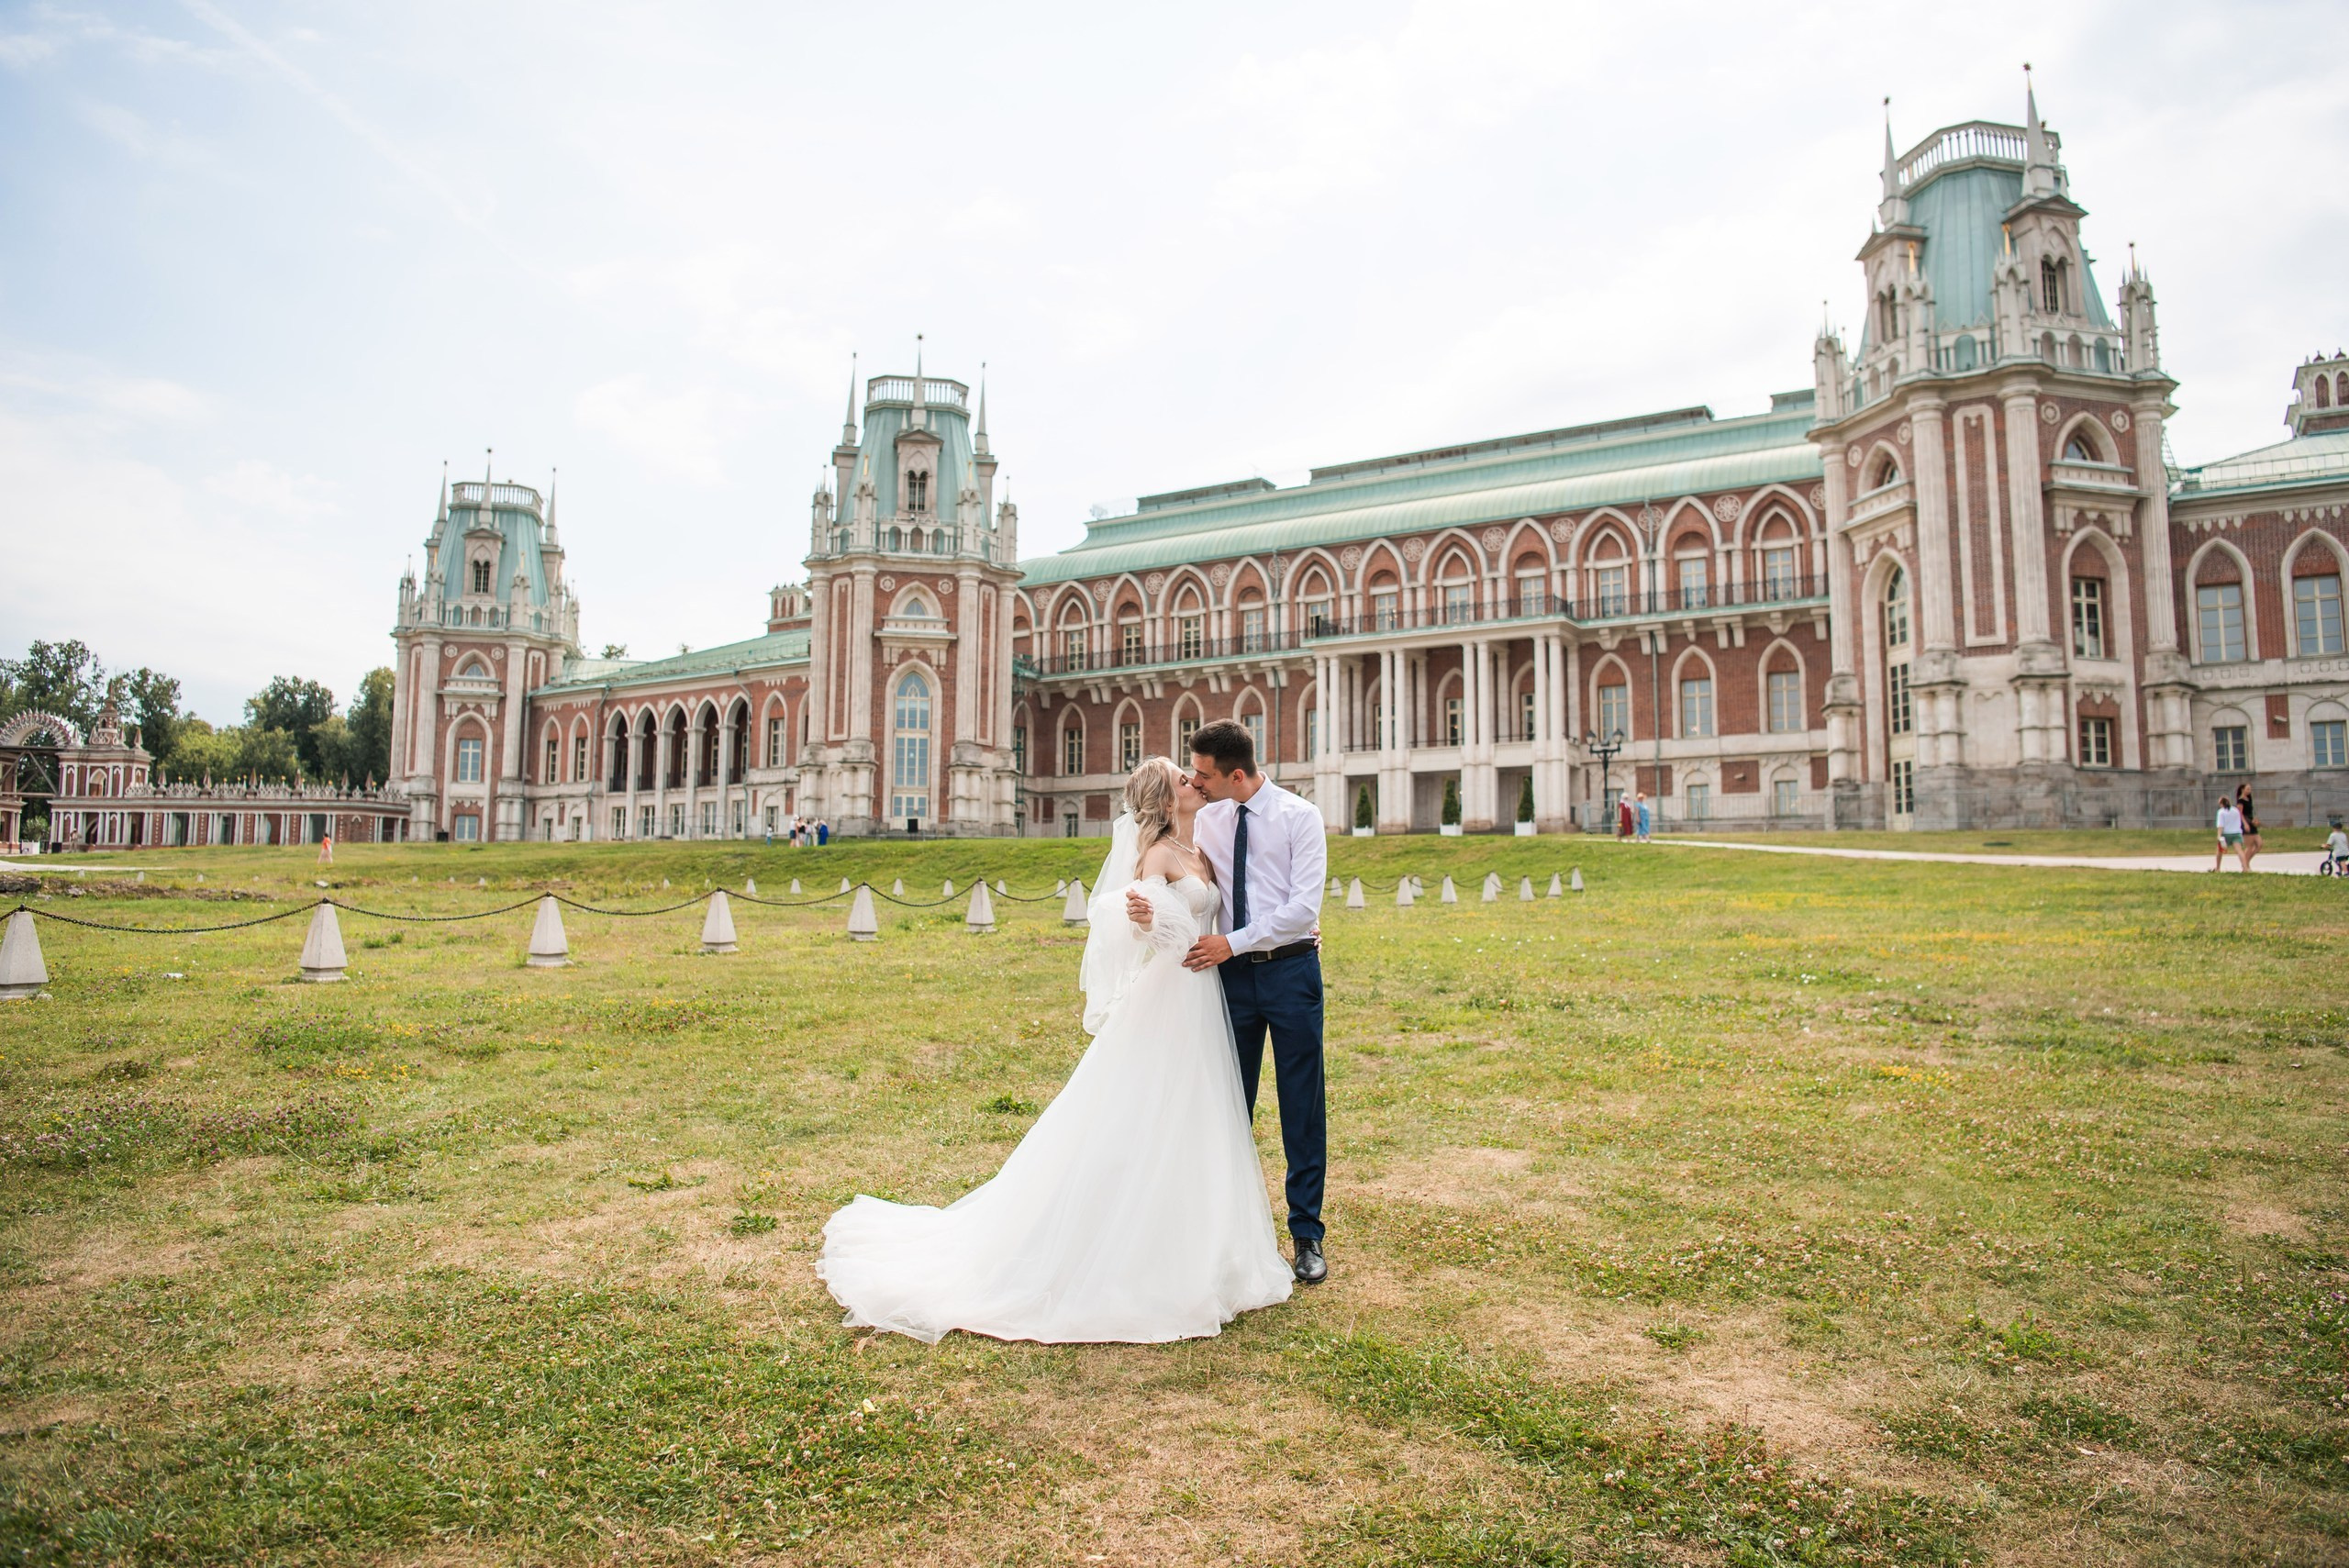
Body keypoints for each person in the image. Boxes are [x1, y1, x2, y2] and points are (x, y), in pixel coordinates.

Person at [818, 757, 1294, 1342]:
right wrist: (1145, 917)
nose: (1193, 783)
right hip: (1173, 996)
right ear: (1165, 799)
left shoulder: (1200, 849)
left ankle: (1203, 1242)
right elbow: (1135, 926)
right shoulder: (1158, 856)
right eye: (1181, 780)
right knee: (1149, 1113)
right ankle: (1132, 1249)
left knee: (1195, 1116)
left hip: (1202, 997)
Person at [1176, 718, 1331, 1286]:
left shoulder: (1300, 817)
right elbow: (1179, 872)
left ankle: (1307, 1234)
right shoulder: (1206, 820)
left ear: (1236, 775)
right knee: (1227, 1105)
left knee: (1301, 1106)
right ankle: (1226, 1232)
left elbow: (1301, 909)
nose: (1196, 782)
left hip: (1290, 973)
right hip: (1231, 981)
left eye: (1204, 774)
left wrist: (1231, 942)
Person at [2213, 796, 2243, 872]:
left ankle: (2217, 868)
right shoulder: (2235, 810)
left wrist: (2219, 835)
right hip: (2236, 833)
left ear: (2221, 804)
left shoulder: (2221, 812)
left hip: (2226, 834)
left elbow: (2220, 825)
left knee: (2219, 851)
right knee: (2239, 851)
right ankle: (2245, 867)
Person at [2235, 785, 2262, 868]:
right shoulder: (2240, 801)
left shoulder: (2249, 799)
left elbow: (2251, 811)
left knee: (2259, 844)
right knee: (2249, 846)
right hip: (2246, 823)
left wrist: (2255, 819)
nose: (2249, 791)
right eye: (2248, 789)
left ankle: (2246, 862)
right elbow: (2240, 813)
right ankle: (2245, 865)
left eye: (2250, 789)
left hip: (2252, 822)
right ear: (2243, 789)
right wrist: (2245, 824)